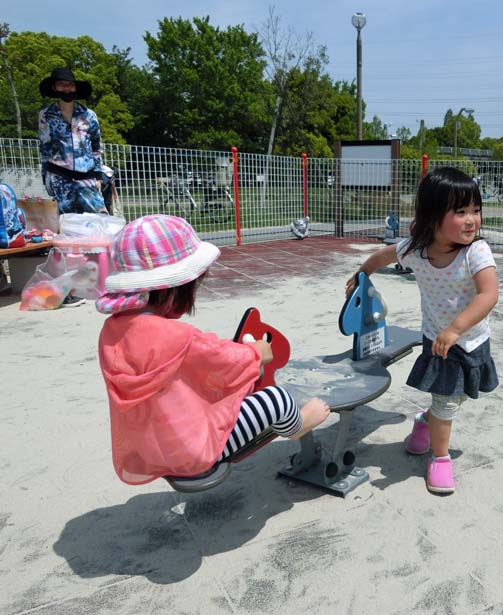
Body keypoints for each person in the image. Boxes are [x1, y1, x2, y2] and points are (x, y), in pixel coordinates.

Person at [96, 214, 330, 485]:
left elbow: (192, 359)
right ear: (174, 289)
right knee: (275, 399)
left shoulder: (111, 333)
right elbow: (227, 361)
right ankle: (298, 425)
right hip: (193, 452)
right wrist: (258, 352)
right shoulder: (179, 337)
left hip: (151, 447)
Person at [345, 167, 499, 495]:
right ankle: (439, 458)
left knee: (454, 399)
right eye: (460, 212)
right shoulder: (417, 249)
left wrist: (457, 328)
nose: (472, 219)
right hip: (439, 341)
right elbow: (384, 255)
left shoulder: (476, 252)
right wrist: (362, 274)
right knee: (446, 403)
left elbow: (489, 294)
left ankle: (425, 422)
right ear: (432, 217)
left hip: (470, 339)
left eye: (475, 210)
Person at [38, 67, 105, 215]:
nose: (66, 88)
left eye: (70, 84)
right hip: (59, 177)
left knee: (99, 219)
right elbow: (45, 149)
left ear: (75, 87)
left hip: (86, 176)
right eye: (61, 84)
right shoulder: (46, 115)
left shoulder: (89, 115)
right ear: (54, 87)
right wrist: (46, 178)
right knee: (65, 223)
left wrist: (98, 176)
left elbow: (96, 147)